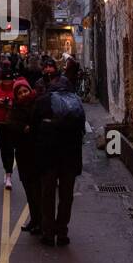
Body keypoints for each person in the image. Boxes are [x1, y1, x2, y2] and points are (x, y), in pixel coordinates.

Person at [33, 74, 85, 245]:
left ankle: (48, 232)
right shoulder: (76, 102)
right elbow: (81, 133)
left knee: (47, 194)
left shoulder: (43, 101)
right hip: (70, 157)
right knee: (66, 196)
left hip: (48, 156)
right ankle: (62, 231)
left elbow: (33, 127)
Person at [7, 78, 44, 234]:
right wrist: (23, 128)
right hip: (22, 154)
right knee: (29, 190)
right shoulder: (15, 109)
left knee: (37, 190)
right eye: (20, 92)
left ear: (30, 90)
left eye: (25, 91)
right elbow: (12, 128)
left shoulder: (38, 105)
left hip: (37, 154)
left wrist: (26, 128)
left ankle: (41, 222)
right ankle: (34, 220)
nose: (23, 94)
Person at [0, 61, 24, 190]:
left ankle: (10, 173)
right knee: (5, 149)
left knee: (12, 148)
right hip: (0, 123)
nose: (7, 83)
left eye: (9, 81)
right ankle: (8, 172)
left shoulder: (17, 89)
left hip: (13, 123)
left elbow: (22, 104)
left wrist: (12, 105)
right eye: (5, 81)